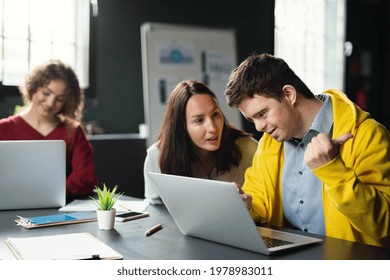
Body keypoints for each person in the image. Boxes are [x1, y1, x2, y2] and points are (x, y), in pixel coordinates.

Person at [224, 53, 390, 248]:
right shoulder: (269, 143)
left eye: (262, 114)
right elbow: (261, 200)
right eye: (253, 120)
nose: (259, 127)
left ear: (289, 94)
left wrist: (333, 170)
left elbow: (384, 224)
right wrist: (248, 204)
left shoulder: (367, 134)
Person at [144, 80, 258, 204]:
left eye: (215, 115)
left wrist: (251, 203)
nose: (212, 128)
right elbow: (156, 210)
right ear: (182, 126)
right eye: (199, 120)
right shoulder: (156, 157)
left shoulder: (249, 149)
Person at [0, 60, 98, 199]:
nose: (50, 103)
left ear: (67, 101)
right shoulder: (3, 129)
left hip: (61, 207)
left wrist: (50, 193)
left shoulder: (73, 130)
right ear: (33, 88)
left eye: (60, 99)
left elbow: (85, 176)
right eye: (46, 93)